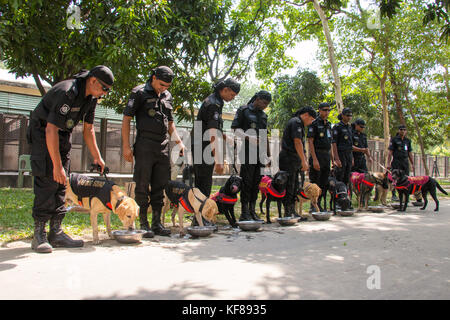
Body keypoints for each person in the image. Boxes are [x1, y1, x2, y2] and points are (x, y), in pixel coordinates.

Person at [28, 65, 114, 253]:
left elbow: (89, 128)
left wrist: (97, 157)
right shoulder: (67, 92)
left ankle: (56, 232)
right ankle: (39, 234)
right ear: (92, 81)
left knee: (62, 181)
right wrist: (56, 166)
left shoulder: (91, 98)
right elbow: (50, 128)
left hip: (61, 134)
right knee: (47, 179)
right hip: (43, 133)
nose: (104, 93)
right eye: (104, 88)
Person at [122, 66, 185, 236]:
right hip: (145, 145)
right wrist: (126, 146)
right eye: (161, 84)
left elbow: (170, 123)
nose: (163, 88)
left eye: (167, 86)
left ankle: (157, 223)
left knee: (160, 184)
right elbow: (127, 119)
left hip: (163, 145)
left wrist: (179, 142)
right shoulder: (139, 92)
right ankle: (143, 222)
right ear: (153, 77)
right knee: (142, 184)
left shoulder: (167, 96)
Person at [191, 78, 240, 198]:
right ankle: (202, 213)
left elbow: (212, 127)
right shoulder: (214, 104)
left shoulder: (214, 100)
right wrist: (219, 161)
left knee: (201, 181)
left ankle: (199, 213)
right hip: (202, 146)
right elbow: (212, 132)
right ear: (225, 90)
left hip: (200, 144)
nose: (232, 98)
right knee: (204, 182)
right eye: (232, 95)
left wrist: (224, 137)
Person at [231, 90, 271, 221]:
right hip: (247, 153)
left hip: (260, 154)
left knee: (256, 183)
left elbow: (265, 136)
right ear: (257, 99)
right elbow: (236, 129)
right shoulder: (244, 110)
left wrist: (268, 156)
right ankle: (244, 212)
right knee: (247, 182)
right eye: (264, 102)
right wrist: (248, 137)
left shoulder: (264, 116)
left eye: (267, 104)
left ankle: (252, 211)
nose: (265, 106)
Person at [279, 106, 317, 218]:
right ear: (306, 115)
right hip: (288, 158)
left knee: (295, 186)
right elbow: (297, 143)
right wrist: (304, 161)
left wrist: (303, 160)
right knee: (289, 186)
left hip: (294, 159)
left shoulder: (299, 123)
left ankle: (292, 211)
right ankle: (287, 212)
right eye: (311, 120)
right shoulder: (296, 122)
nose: (310, 123)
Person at [307, 102, 333, 212]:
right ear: (319, 110)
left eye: (328, 110)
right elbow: (310, 142)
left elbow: (330, 143)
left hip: (326, 156)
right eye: (324, 110)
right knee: (315, 183)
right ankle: (313, 206)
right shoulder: (314, 124)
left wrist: (332, 159)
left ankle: (320, 204)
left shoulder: (329, 124)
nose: (327, 112)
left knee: (324, 182)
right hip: (317, 154)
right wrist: (315, 160)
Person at [387, 124, 414, 201]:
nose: (403, 131)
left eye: (404, 130)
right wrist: (388, 163)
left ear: (406, 131)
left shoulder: (407, 141)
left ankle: (406, 196)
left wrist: (412, 163)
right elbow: (390, 152)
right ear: (398, 130)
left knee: (406, 178)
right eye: (401, 129)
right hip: (396, 161)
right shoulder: (394, 140)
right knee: (394, 177)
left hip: (405, 162)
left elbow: (410, 153)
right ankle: (394, 195)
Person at [332, 108, 354, 195]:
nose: (349, 117)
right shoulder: (337, 127)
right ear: (343, 116)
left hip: (348, 154)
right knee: (339, 176)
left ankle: (345, 197)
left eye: (350, 116)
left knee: (347, 177)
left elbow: (350, 144)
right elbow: (334, 143)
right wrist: (336, 159)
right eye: (347, 115)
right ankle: (338, 198)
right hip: (340, 154)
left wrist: (352, 158)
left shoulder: (349, 127)